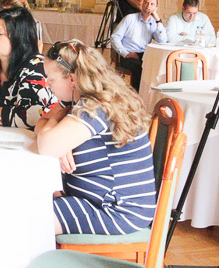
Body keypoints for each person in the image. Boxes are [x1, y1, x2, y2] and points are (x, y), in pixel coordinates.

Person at [36, 40, 157, 235]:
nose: (47, 85)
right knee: (29, 200)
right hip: (100, 201)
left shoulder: (95, 107)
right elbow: (40, 125)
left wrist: (57, 129)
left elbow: (46, 146)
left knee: (28, 217)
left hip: (116, 210)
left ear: (72, 79)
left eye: (51, 79)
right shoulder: (87, 98)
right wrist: (60, 138)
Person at [110, 0, 167, 90]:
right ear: (142, 4)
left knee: (159, 66)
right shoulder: (130, 18)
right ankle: (138, 94)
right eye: (146, 3)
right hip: (129, 55)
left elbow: (163, 41)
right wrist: (125, 53)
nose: (148, 6)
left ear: (156, 8)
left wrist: (158, 20)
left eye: (152, 4)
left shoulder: (154, 23)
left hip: (145, 55)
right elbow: (115, 37)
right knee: (140, 67)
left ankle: (151, 93)